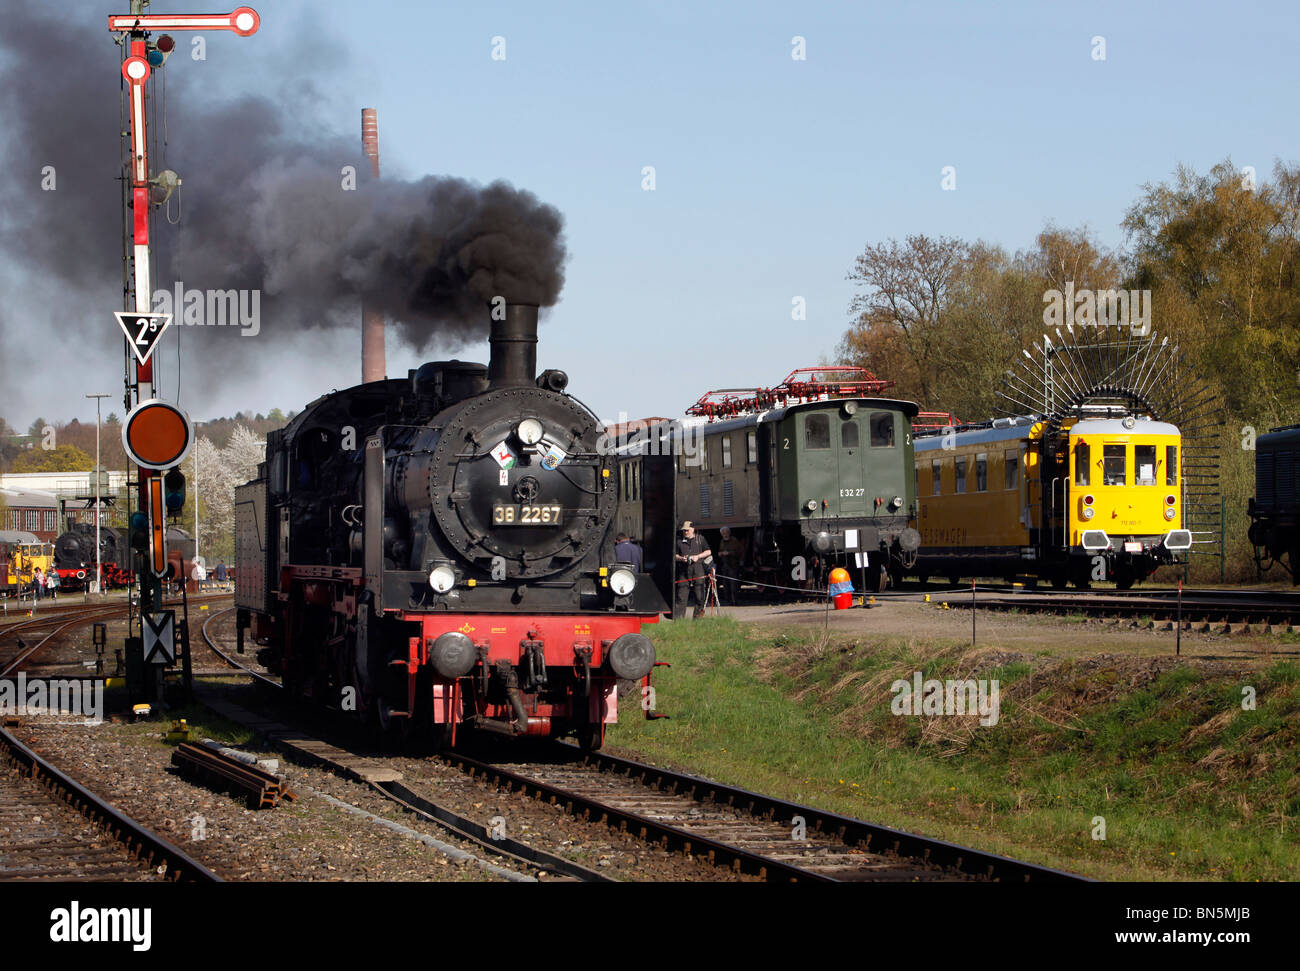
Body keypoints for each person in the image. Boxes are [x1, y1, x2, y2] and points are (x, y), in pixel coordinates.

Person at [674, 521, 712, 619]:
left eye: (687, 530)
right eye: (684, 530)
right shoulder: (679, 541)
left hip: (698, 569)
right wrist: (681, 558)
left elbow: (708, 551)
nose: (685, 532)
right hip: (684, 571)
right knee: (681, 597)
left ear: (693, 529)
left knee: (699, 596)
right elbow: (674, 555)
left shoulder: (700, 539)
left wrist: (697, 556)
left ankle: (697, 619)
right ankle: (679, 621)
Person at [716, 526, 745, 605]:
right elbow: (720, 550)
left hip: (733, 565)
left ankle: (734, 601)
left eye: (726, 533)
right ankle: (728, 600)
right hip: (725, 565)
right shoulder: (721, 542)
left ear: (729, 533)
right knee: (726, 584)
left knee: (733, 584)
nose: (725, 534)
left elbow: (739, 551)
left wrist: (729, 553)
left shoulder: (734, 541)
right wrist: (720, 553)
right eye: (723, 533)